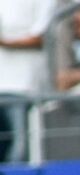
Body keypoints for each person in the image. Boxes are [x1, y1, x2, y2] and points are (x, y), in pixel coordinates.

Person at [0, 0, 57, 162]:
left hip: (24, 86)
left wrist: (5, 42)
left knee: (20, 147)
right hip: (4, 85)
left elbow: (39, 37)